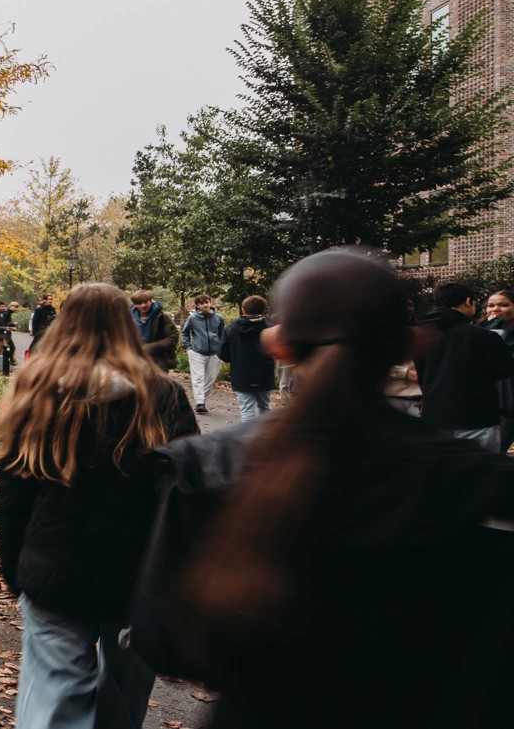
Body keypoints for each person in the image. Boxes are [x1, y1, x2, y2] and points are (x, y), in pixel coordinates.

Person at [131, 248, 514, 728]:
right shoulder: (480, 488)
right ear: (410, 344)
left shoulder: (208, 469)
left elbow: (162, 640)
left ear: (280, 347)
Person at [0, 282, 199, 729]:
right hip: (139, 571)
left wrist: (15, 569)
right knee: (124, 692)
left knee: (54, 690)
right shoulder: (162, 395)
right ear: (126, 326)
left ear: (65, 324)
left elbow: (14, 492)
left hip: (54, 566)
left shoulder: (39, 391)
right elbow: (186, 490)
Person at [413, 280, 514, 450]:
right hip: (476, 417)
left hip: (435, 415)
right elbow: (502, 370)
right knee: (481, 465)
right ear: (468, 302)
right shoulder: (481, 335)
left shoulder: (423, 334)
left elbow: (421, 373)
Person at [220, 295, 275, 419]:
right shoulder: (269, 327)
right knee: (265, 408)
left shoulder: (231, 328)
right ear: (263, 310)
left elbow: (223, 353)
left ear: (243, 310)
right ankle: (265, 431)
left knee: (247, 412)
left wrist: (234, 358)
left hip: (241, 374)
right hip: (264, 374)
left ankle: (249, 432)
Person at [181, 294, 226, 414]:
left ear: (210, 303)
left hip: (215, 352)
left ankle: (202, 401)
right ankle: (199, 402)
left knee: (210, 379)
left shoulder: (219, 318)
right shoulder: (192, 318)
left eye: (207, 302)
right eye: (202, 303)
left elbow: (222, 334)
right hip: (197, 352)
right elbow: (185, 333)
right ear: (197, 305)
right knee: (198, 377)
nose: (205, 305)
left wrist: (222, 348)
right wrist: (188, 348)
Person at [485, 291, 514, 450]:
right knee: (496, 450)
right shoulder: (482, 332)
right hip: (502, 404)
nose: (495, 309)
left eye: (504, 305)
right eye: (491, 305)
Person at [130, 289, 176, 372]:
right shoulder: (127, 318)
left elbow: (173, 337)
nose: (143, 305)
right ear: (134, 304)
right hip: (135, 361)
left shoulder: (162, 317)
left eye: (146, 302)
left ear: (151, 301)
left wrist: (150, 347)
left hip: (159, 361)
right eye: (139, 303)